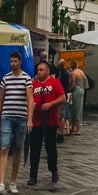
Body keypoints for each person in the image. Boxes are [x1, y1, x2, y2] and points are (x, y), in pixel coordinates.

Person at [0, 51, 33, 195]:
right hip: (7, 116)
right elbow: (1, 100)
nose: (13, 64)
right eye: (11, 61)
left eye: (15, 61)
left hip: (21, 117)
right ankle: (2, 183)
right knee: (4, 147)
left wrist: (30, 118)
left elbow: (30, 100)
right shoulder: (6, 78)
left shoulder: (26, 78)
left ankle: (13, 181)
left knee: (17, 148)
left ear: (20, 62)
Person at [27, 58, 65, 187]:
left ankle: (53, 171)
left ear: (48, 71)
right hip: (37, 121)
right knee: (35, 149)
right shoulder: (33, 84)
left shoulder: (54, 83)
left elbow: (62, 97)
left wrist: (50, 104)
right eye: (37, 70)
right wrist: (32, 106)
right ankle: (33, 176)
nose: (39, 72)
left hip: (50, 121)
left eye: (41, 70)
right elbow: (29, 100)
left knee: (51, 148)